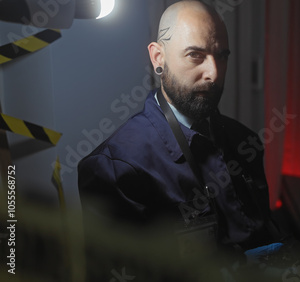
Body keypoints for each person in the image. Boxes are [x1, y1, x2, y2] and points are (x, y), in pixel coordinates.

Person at [78, 1, 279, 280]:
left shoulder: (244, 141)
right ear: (158, 57)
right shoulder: (116, 166)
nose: (214, 73)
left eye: (222, 56)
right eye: (196, 55)